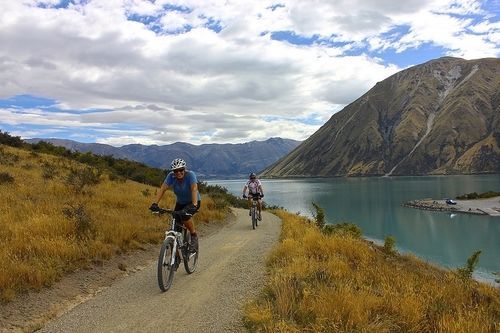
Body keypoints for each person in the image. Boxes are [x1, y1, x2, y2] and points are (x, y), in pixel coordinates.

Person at [149, 158, 201, 251]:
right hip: (180, 203)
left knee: (185, 217)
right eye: (176, 171)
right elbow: (163, 189)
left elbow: (194, 189)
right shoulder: (171, 176)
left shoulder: (190, 175)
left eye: (181, 170)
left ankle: (193, 235)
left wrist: (194, 205)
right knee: (175, 227)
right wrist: (154, 203)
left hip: (193, 201)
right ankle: (176, 256)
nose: (178, 173)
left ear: (184, 169)